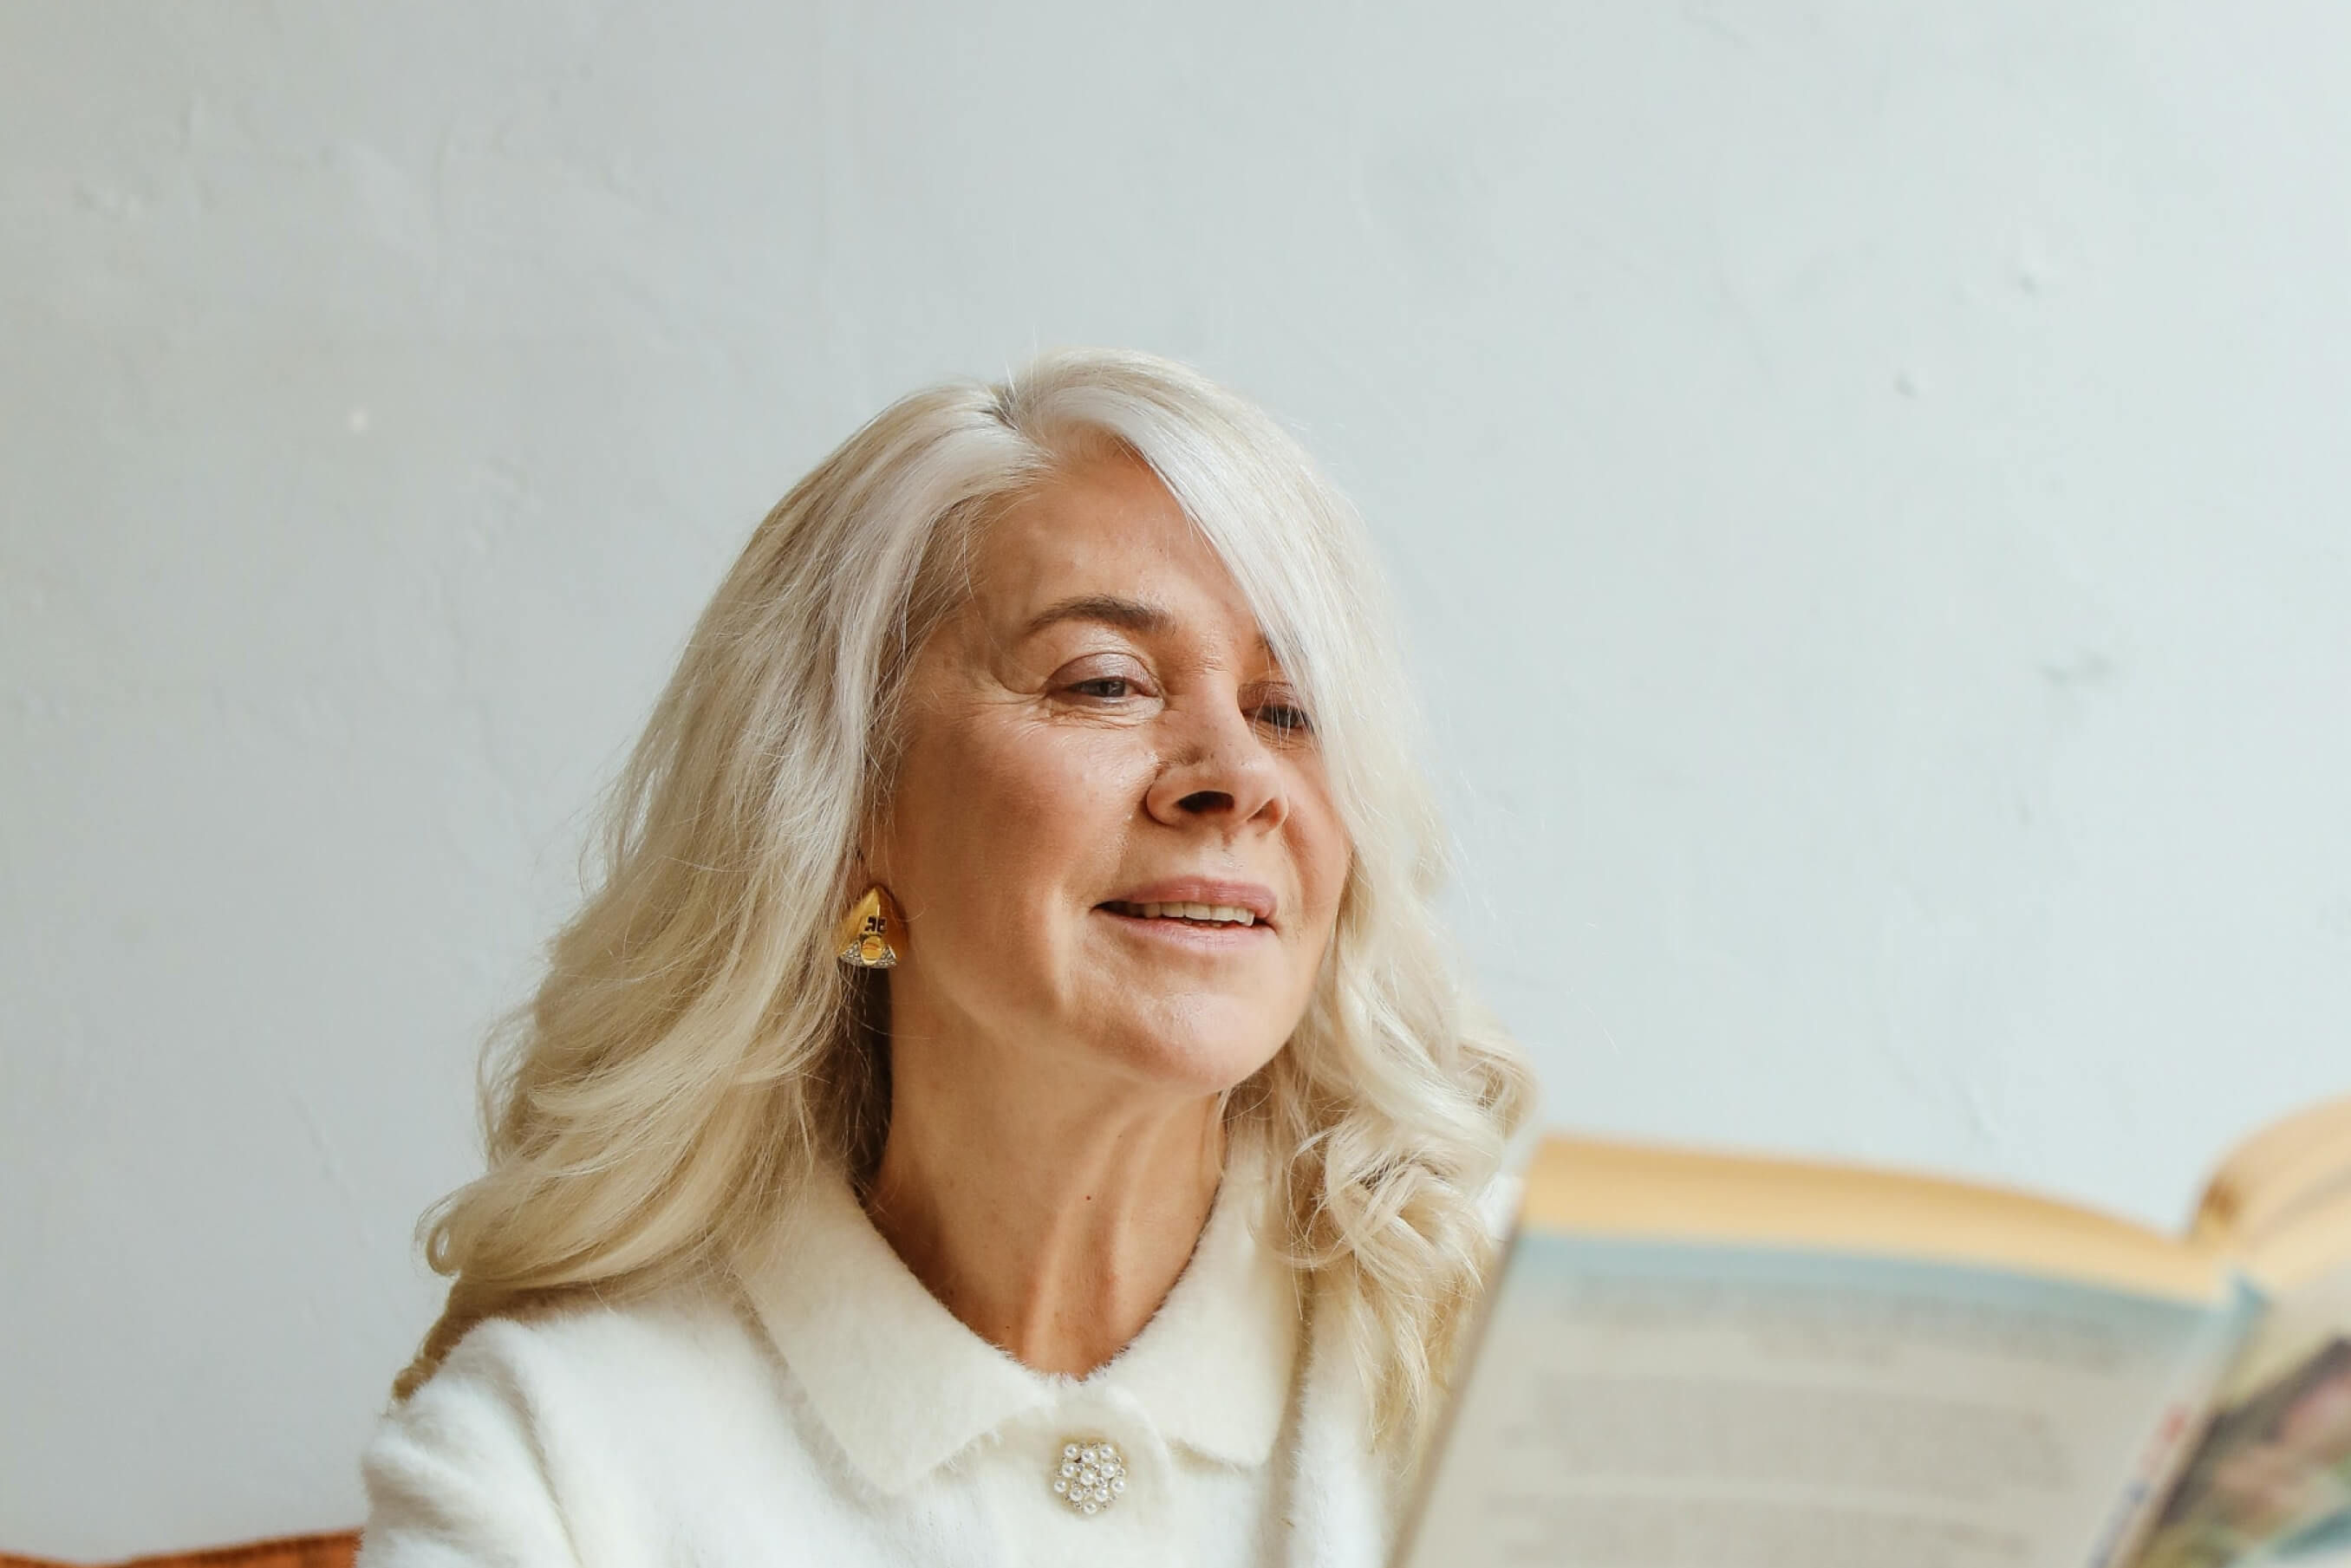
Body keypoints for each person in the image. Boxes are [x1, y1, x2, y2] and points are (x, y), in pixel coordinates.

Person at [356, 348, 1533, 1568]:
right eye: (1106, 682)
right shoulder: (547, 1464)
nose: (1237, 778)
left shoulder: (1520, 1340)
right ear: (854, 808)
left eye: (1289, 710)